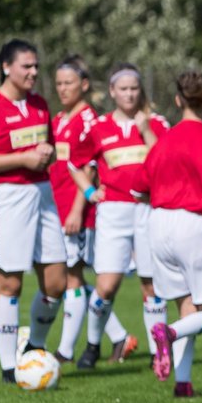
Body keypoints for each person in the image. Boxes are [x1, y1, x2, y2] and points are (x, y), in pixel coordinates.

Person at [0, 39, 67, 383]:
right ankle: (10, 368)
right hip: (5, 197)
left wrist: (45, 155)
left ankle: (32, 350)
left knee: (56, 282)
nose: (34, 72)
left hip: (43, 193)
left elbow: (46, 145)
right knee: (9, 282)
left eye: (36, 66)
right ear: (6, 67)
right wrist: (22, 159)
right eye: (27, 66)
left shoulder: (39, 104)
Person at [140, 70, 202, 398]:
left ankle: (183, 383)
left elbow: (142, 187)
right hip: (194, 225)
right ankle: (168, 332)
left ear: (179, 100)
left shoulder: (162, 143)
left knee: (188, 305)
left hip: (159, 224)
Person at [69, 62, 169, 369]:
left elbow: (167, 160)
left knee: (152, 285)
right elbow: (74, 162)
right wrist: (88, 192)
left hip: (149, 210)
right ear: (112, 91)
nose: (129, 94)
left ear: (141, 91)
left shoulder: (157, 123)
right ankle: (93, 345)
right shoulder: (98, 127)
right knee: (107, 286)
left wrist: (145, 130)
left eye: (134, 88)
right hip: (113, 212)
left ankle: (158, 353)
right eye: (123, 89)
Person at [48, 55, 137, 363]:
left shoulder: (89, 121)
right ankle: (119, 337)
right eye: (58, 83)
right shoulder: (59, 120)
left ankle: (65, 351)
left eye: (68, 83)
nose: (62, 89)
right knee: (78, 281)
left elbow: (89, 169)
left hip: (80, 214)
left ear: (84, 85)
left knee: (73, 278)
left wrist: (78, 206)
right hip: (57, 209)